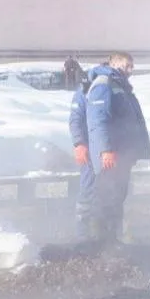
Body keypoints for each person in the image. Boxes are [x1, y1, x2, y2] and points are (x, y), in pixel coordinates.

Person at [84, 52, 150, 247]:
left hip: (122, 154)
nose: (130, 70)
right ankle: (99, 243)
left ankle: (111, 239)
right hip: (111, 155)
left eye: (132, 66)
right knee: (106, 197)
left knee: (117, 197)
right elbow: (98, 120)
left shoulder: (120, 86)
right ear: (114, 64)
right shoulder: (104, 84)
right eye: (127, 66)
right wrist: (105, 150)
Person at [68, 72, 94, 242]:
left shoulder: (117, 88)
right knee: (88, 188)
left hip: (110, 148)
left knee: (111, 191)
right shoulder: (85, 90)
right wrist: (79, 143)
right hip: (90, 147)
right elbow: (75, 119)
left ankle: (107, 232)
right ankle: (82, 234)